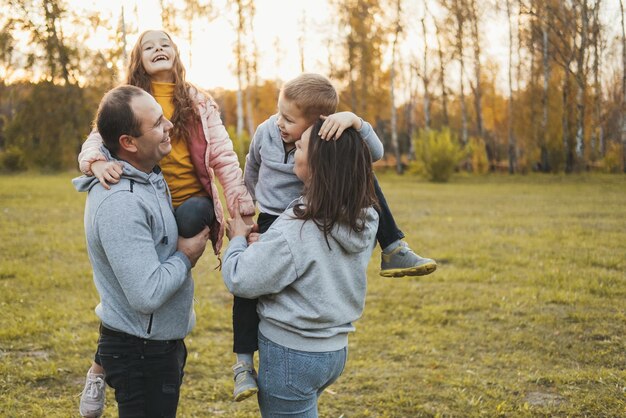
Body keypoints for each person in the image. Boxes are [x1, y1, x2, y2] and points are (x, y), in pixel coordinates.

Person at [76, 30, 255, 416]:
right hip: (148, 196)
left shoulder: (196, 101)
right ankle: (102, 364)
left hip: (188, 204)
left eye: (166, 44)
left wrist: (241, 206)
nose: (159, 49)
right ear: (138, 59)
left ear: (177, 53)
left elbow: (223, 156)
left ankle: (137, 352)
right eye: (148, 46)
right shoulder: (128, 100)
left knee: (157, 279)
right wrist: (97, 163)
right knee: (135, 292)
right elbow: (97, 140)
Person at [229, 73, 436, 401]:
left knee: (360, 169)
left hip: (308, 213)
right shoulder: (266, 132)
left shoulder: (324, 143)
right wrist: (246, 205)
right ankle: (242, 363)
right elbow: (251, 166)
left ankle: (393, 245)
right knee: (249, 292)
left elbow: (371, 152)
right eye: (279, 113)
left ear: (318, 126)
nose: (279, 122)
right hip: (273, 219)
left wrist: (355, 122)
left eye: (289, 119)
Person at [222, 118, 379, 417]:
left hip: (291, 355)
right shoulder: (366, 216)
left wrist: (239, 241)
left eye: (301, 146)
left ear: (318, 165)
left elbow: (241, 279)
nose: (293, 149)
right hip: (334, 352)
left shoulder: (298, 226)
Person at [72, 85, 211, 417]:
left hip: (155, 343)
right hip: (141, 353)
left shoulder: (147, 176)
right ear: (128, 143)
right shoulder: (122, 202)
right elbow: (146, 294)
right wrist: (187, 256)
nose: (169, 127)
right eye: (158, 124)